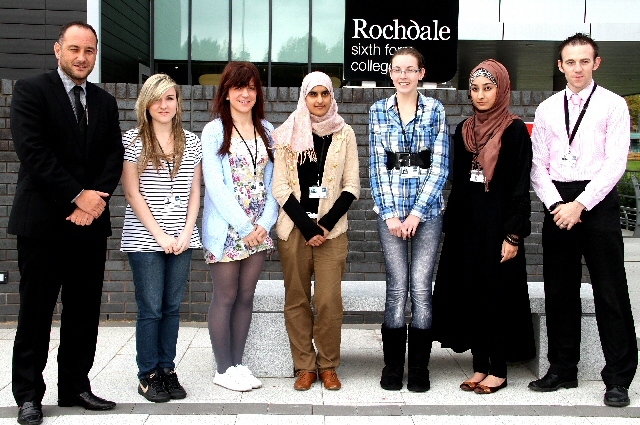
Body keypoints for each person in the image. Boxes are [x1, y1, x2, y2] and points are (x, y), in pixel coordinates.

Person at [9, 21, 123, 425]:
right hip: (42, 224)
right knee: (36, 313)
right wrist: (78, 196)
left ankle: (75, 386)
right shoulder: (31, 91)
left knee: (83, 311)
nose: (81, 57)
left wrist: (93, 203)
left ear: (95, 54)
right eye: (74, 49)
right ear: (58, 50)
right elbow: (33, 152)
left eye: (89, 51)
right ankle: (28, 395)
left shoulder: (105, 102)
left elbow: (114, 156)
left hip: (89, 226)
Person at [529, 33, 637, 407]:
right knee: (560, 290)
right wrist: (559, 204)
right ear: (560, 66)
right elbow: (537, 165)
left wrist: (581, 204)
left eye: (584, 61)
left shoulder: (613, 105)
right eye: (570, 62)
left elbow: (615, 163)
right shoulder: (545, 109)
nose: (577, 68)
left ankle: (618, 378)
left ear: (596, 63)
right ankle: (562, 368)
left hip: (598, 203)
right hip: (557, 203)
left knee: (610, 291)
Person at [432, 60, 535, 395]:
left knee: (498, 296)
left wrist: (514, 233)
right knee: (472, 293)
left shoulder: (514, 130)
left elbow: (521, 185)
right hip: (468, 228)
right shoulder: (463, 130)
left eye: (487, 88)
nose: (480, 95)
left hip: (500, 227)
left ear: (501, 89)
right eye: (475, 89)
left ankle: (499, 368)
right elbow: (459, 185)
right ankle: (479, 365)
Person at [271, 71, 360, 391]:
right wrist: (307, 227)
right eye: (313, 94)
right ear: (304, 96)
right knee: (296, 299)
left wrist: (325, 224)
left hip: (332, 232)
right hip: (295, 230)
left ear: (331, 97)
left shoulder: (345, 132)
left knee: (328, 301)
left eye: (325, 94)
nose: (319, 100)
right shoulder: (286, 133)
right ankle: (305, 365)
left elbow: (351, 186)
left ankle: (328, 364)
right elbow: (280, 187)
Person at [369, 47, 449, 392]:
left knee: (421, 288)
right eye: (397, 69)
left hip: (427, 213)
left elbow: (440, 165)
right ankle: (392, 367)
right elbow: (376, 165)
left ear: (421, 73)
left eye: (410, 69)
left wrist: (416, 213)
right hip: (389, 215)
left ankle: (419, 367)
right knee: (396, 289)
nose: (403, 75)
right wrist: (391, 215)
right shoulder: (377, 111)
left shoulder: (435, 109)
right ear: (390, 73)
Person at [121, 74, 202, 403]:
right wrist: (159, 235)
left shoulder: (191, 141)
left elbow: (196, 192)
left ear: (178, 103)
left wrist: (185, 232)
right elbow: (131, 192)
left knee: (171, 308)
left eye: (170, 98)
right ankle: (148, 375)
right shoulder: (133, 140)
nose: (164, 105)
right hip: (145, 239)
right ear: (146, 104)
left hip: (182, 239)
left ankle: (167, 370)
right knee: (151, 308)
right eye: (157, 98)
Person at [201, 61, 279, 392]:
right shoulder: (215, 130)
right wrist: (245, 224)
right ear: (227, 92)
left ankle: (237, 363)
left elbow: (277, 182)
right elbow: (215, 186)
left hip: (259, 230)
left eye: (250, 87)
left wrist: (263, 223)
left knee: (247, 296)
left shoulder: (268, 129)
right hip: (228, 228)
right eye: (238, 87)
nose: (245, 94)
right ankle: (223, 368)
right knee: (226, 295)